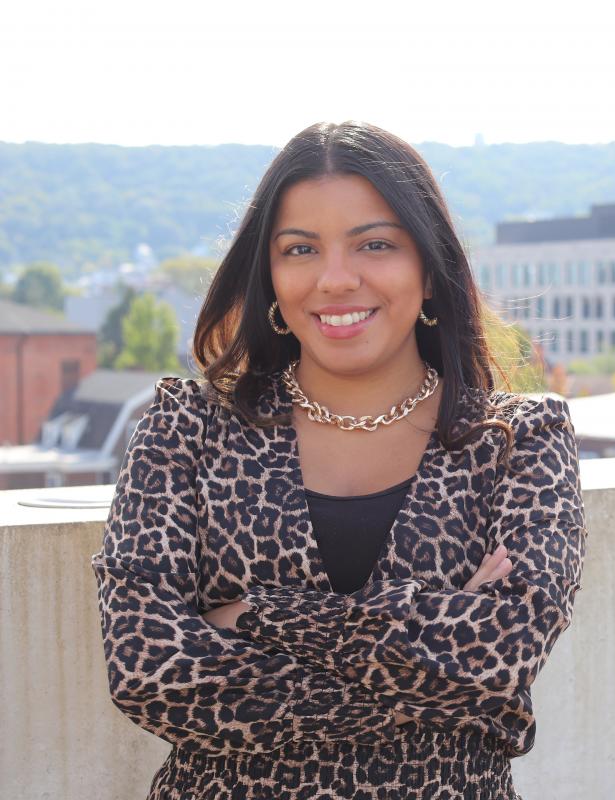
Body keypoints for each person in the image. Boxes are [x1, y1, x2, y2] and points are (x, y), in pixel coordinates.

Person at [90, 121, 588, 800]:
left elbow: (502, 652)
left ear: (429, 267)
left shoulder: (517, 441)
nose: (335, 279)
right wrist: (441, 669)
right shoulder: (189, 429)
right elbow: (149, 674)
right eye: (300, 249)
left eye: (374, 244)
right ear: (270, 274)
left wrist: (252, 619)